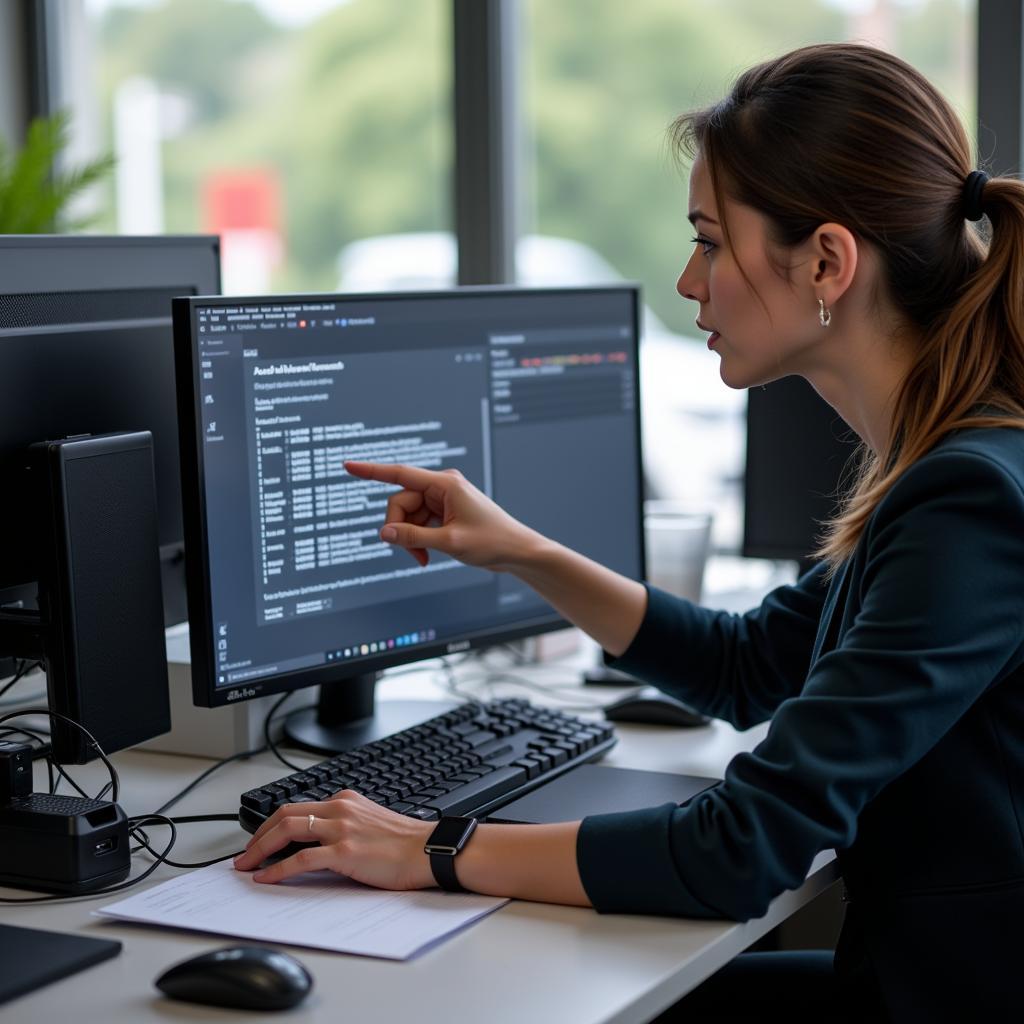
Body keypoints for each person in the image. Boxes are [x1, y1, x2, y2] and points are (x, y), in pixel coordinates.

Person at [233, 43, 1024, 1021]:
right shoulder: (954, 469)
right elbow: (749, 665)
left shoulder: (967, 506)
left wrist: (429, 847)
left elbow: (740, 851)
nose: (689, 282)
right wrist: (520, 549)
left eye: (707, 239)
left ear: (825, 259)